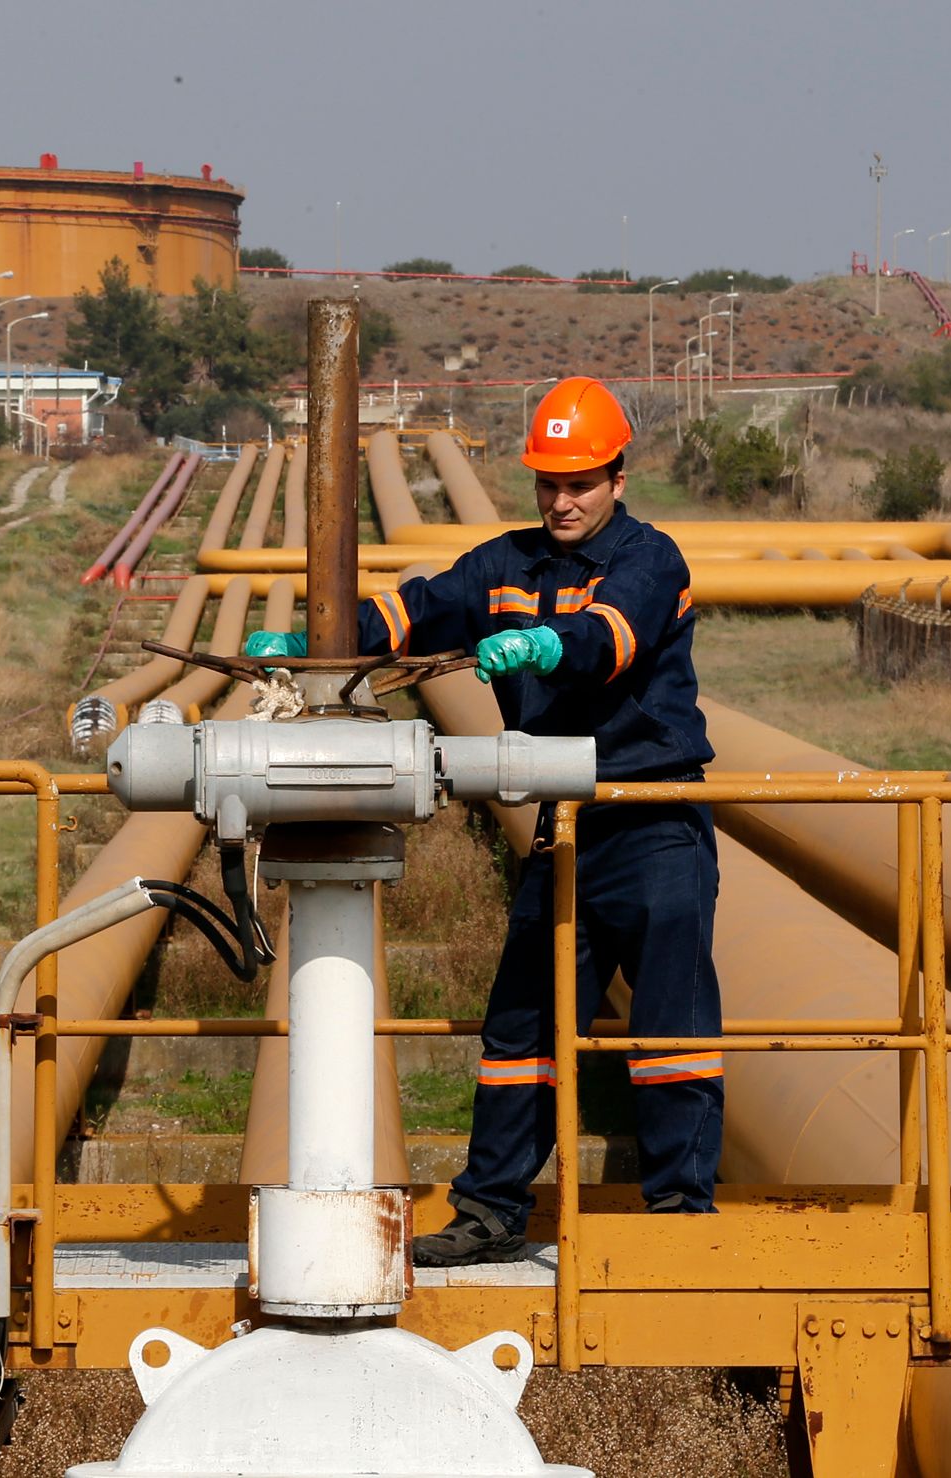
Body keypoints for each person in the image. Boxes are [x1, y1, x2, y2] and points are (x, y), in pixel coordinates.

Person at [248, 376, 720, 1266]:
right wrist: (317, 637)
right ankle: (494, 1210)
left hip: (652, 819)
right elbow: (413, 611)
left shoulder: (650, 560)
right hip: (563, 827)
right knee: (520, 1030)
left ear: (617, 478)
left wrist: (549, 644)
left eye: (578, 482)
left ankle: (679, 1219)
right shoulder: (505, 565)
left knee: (667, 1029)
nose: (561, 499)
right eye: (548, 482)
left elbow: (609, 639)